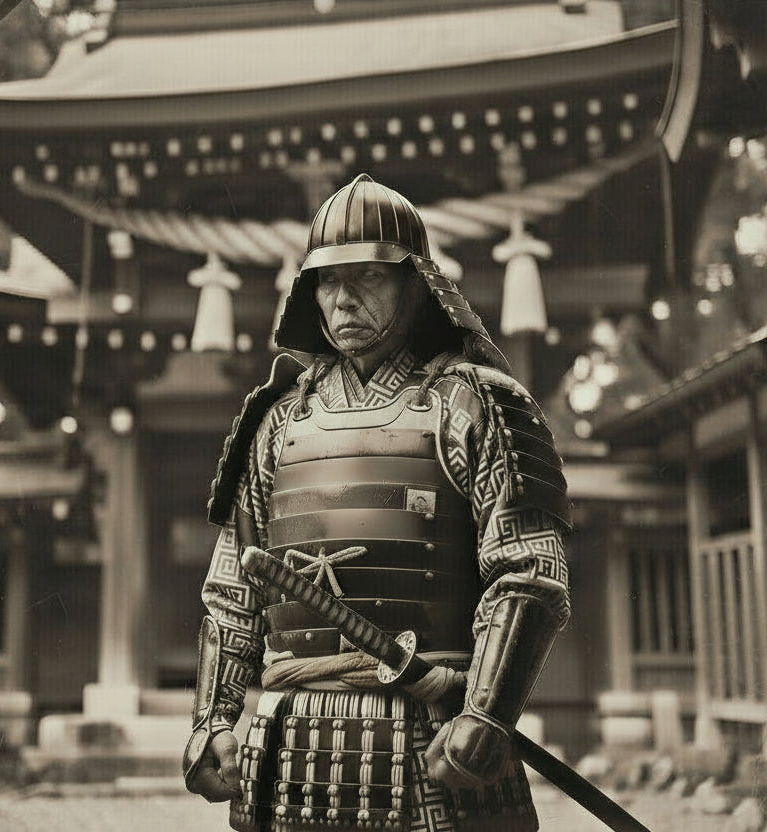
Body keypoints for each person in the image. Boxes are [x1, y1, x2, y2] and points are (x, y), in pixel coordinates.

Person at [183, 173, 571, 832]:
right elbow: (233, 590)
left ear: (416, 283)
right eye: (328, 281)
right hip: (287, 742)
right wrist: (211, 720)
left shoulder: (474, 403)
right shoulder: (278, 421)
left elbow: (530, 570)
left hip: (431, 730)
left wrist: (486, 711)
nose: (344, 298)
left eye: (367, 276)